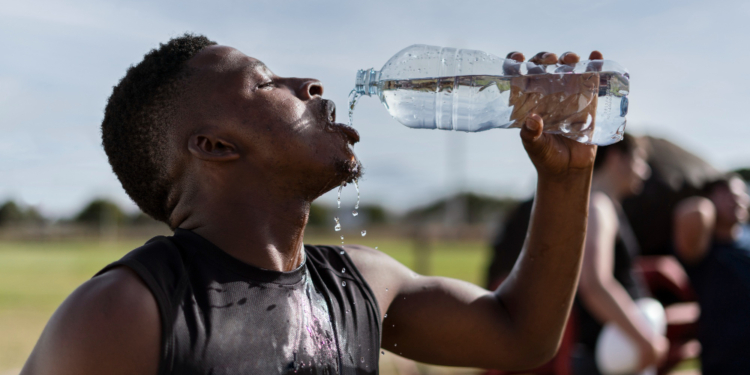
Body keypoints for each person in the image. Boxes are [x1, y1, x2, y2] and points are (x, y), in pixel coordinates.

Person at [20, 35, 600, 375]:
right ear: (215, 146)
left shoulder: (362, 284)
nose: (310, 83)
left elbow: (521, 336)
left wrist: (566, 180)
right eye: (265, 82)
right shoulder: (129, 312)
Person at [573, 134, 669, 374]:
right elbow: (595, 283)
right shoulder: (598, 207)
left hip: (618, 349)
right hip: (610, 354)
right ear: (617, 158)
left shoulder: (603, 205)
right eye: (640, 160)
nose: (644, 172)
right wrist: (646, 340)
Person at [673, 174, 750, 374]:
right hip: (725, 362)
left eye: (742, 193)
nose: (738, 198)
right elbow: (694, 212)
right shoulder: (702, 247)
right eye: (728, 193)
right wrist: (706, 205)